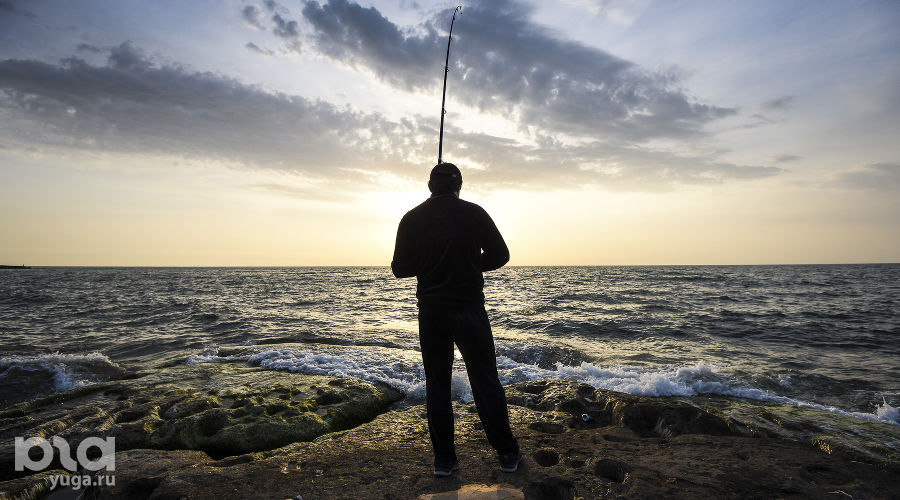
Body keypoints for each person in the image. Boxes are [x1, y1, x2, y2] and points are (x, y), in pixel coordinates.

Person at [391, 162, 522, 477]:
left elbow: (400, 268)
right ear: (459, 186)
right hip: (469, 309)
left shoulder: (411, 217)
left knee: (437, 384)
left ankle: (444, 461)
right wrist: (469, 263)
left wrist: (430, 262)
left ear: (429, 186)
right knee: (485, 380)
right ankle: (507, 454)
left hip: (432, 312)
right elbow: (501, 255)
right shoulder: (474, 213)